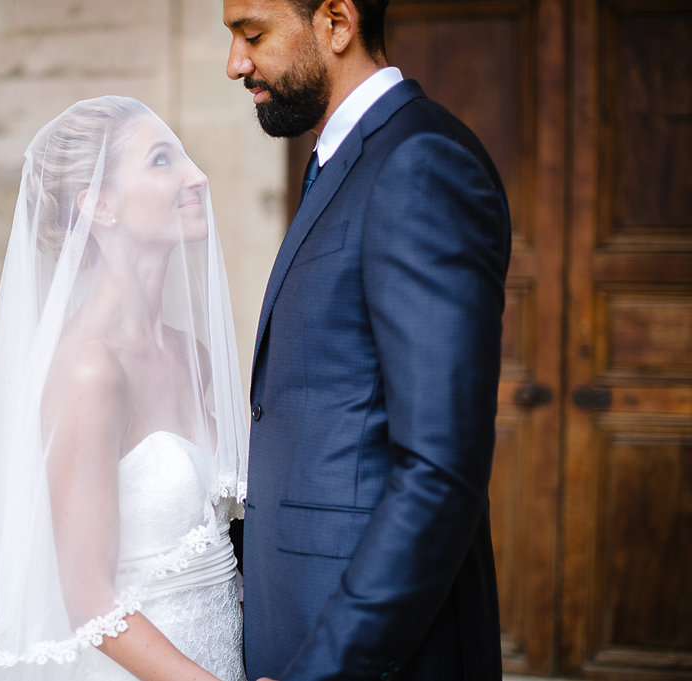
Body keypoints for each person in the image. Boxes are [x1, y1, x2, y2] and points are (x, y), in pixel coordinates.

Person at [222, 1, 510, 679]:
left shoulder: (420, 161)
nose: (235, 63)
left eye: (252, 35)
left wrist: (325, 669)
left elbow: (440, 469)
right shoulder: (343, 161)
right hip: (296, 622)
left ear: (336, 22)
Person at [0, 96, 248, 681]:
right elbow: (89, 599)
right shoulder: (90, 370)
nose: (197, 177)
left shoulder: (191, 354)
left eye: (186, 157)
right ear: (101, 205)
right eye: (163, 160)